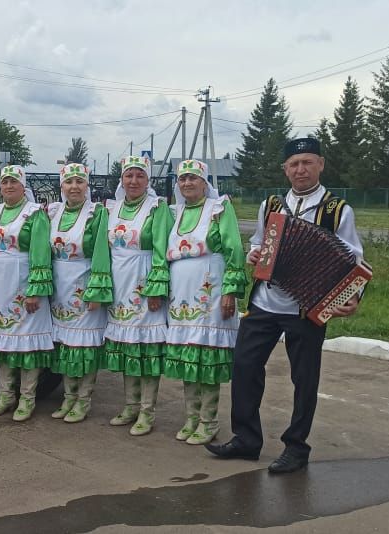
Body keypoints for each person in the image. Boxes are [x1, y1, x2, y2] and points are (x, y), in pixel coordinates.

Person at [206, 137, 362, 474]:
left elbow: (354, 261)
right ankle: (247, 439)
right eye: (294, 164)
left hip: (307, 309)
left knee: (304, 379)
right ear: (285, 169)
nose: (301, 169)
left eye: (307, 162)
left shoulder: (337, 210)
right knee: (245, 368)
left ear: (320, 164)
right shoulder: (271, 205)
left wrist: (350, 297)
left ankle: (297, 447)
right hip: (265, 302)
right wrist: (254, 253)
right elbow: (259, 242)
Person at [162, 159, 246, 445]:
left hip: (210, 291)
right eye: (182, 179)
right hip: (181, 294)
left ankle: (209, 421)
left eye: (193, 178)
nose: (187, 183)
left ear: (205, 182)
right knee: (189, 358)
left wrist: (230, 291)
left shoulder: (220, 209)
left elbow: (234, 248)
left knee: (206, 357)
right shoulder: (175, 212)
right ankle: (191, 418)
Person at [0, 165, 54, 422]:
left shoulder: (34, 214)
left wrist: (35, 290)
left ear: (23, 186)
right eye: (5, 182)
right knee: (2, 342)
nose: (9, 186)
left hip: (22, 285)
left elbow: (40, 252)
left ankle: (27, 398)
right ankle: (5, 395)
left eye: (14, 182)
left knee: (26, 343)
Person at [102, 155, 171, 436]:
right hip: (120, 282)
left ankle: (147, 411)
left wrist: (156, 287)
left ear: (148, 180)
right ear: (121, 179)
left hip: (144, 281)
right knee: (128, 346)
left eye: (139, 176)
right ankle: (130, 405)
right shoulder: (111, 208)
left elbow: (160, 249)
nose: (133, 181)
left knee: (147, 347)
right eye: (128, 175)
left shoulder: (157, 208)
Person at [46, 163, 112, 423]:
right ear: (61, 186)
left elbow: (100, 252)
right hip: (60, 286)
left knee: (84, 345)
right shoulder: (53, 212)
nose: (74, 187)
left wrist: (96, 290)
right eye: (69, 182)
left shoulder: (96, 213)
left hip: (84, 283)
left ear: (87, 186)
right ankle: (68, 398)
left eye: (79, 182)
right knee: (64, 345)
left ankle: (83, 399)